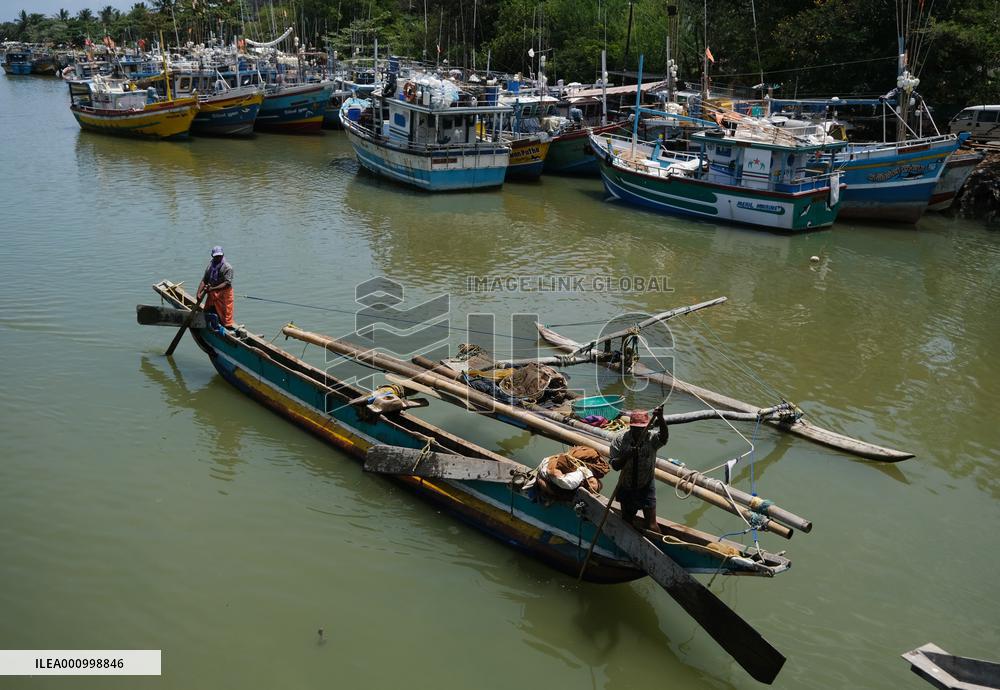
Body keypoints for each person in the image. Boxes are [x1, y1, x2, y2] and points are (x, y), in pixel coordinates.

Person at [609, 406, 668, 533]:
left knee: (651, 525)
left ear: (647, 427)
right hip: (626, 485)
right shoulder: (620, 440)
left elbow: (664, 438)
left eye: (642, 428)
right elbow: (615, 466)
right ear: (630, 426)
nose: (639, 431)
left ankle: (656, 543)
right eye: (635, 428)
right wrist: (626, 456)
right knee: (627, 521)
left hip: (645, 485)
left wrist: (660, 418)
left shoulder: (652, 438)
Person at [197, 246, 235, 329]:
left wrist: (212, 289)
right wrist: (199, 292)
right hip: (212, 293)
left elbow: (227, 283)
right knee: (208, 311)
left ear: (223, 255)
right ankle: (211, 326)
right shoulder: (210, 266)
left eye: (219, 256)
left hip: (224, 294)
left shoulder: (227, 267)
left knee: (225, 315)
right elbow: (205, 280)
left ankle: (226, 329)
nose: (218, 258)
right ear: (212, 256)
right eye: (216, 256)